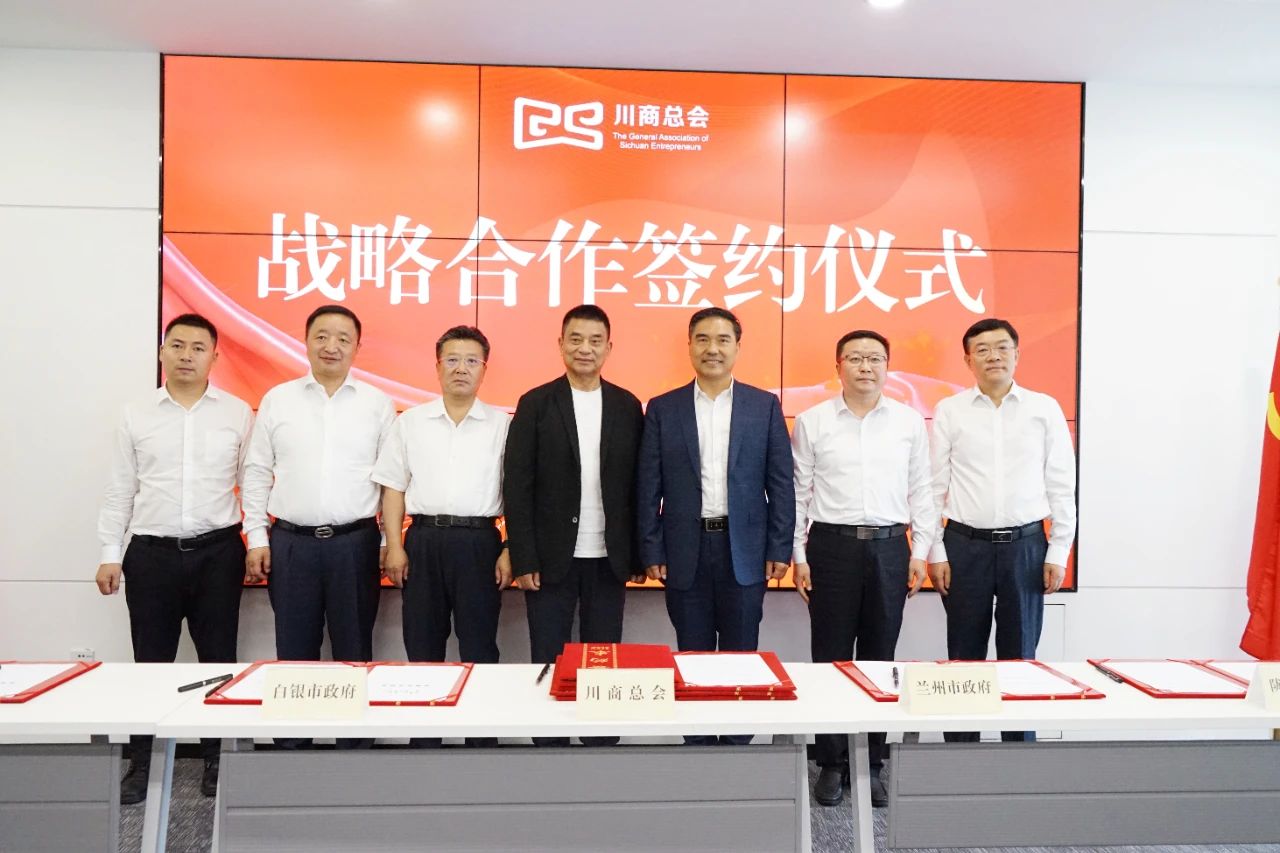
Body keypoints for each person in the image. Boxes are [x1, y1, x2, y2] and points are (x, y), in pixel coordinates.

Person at [96, 313, 252, 803]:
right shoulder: (136, 414)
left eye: (198, 347)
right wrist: (109, 552)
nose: (187, 355)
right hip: (151, 555)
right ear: (162, 352)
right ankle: (141, 763)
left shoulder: (237, 413)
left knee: (218, 660)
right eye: (178, 345)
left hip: (218, 552)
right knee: (150, 664)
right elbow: (120, 489)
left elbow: (252, 484)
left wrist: (257, 540)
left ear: (214, 357)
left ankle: (216, 760)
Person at [636, 307, 794, 745]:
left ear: (738, 348)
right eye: (703, 339)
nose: (713, 349)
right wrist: (652, 549)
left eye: (723, 339)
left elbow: (781, 483)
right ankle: (700, 752)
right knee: (692, 656)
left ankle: (739, 751)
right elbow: (648, 486)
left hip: (744, 551)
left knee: (742, 657)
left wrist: (779, 547)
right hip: (683, 550)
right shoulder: (663, 408)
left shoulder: (763, 406)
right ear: (689, 346)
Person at [792, 330, 937, 807]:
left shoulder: (908, 421)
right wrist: (799, 555)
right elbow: (798, 493)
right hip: (830, 547)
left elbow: (923, 490)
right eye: (855, 358)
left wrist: (921, 551)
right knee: (830, 658)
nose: (865, 366)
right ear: (838, 366)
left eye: (875, 358)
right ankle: (832, 763)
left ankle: (872, 763)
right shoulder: (813, 421)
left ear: (887, 366)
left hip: (891, 547)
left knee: (879, 658)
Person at [242, 305, 395, 747]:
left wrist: (389, 541)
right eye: (322, 336)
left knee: (354, 650)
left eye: (344, 339)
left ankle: (353, 751)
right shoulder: (278, 400)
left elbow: (390, 480)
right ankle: (292, 751)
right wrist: (256, 537)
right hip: (291, 543)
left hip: (355, 543)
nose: (332, 346)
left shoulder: (377, 404)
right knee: (294, 651)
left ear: (357, 347)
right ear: (306, 341)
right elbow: (256, 471)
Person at [928, 318, 1076, 742]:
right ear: (967, 360)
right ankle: (961, 757)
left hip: (1026, 546)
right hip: (964, 545)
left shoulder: (1043, 408)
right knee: (964, 658)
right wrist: (935, 550)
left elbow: (1061, 483)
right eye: (982, 349)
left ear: (1017, 354)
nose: (993, 356)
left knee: (1021, 658)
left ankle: (1019, 760)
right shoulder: (950, 410)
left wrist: (1058, 550)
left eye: (1002, 347)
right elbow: (933, 486)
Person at [504, 305, 645, 747]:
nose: (585, 348)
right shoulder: (536, 403)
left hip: (608, 557)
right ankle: (550, 748)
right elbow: (517, 485)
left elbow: (639, 485)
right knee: (549, 658)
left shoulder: (627, 405)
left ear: (609, 347)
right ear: (561, 344)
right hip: (549, 559)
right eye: (576, 339)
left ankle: (600, 749)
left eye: (595, 340)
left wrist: (639, 554)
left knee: (603, 660)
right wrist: (523, 555)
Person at [374, 326, 510, 747]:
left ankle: (481, 742)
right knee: (422, 642)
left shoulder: (503, 425)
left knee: (479, 645)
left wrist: (510, 548)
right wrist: (394, 546)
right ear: (437, 367)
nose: (461, 369)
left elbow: (518, 493)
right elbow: (393, 488)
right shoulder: (411, 422)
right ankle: (425, 743)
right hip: (423, 541)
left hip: (480, 544)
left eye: (471, 361)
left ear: (484, 369)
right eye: (452, 360)